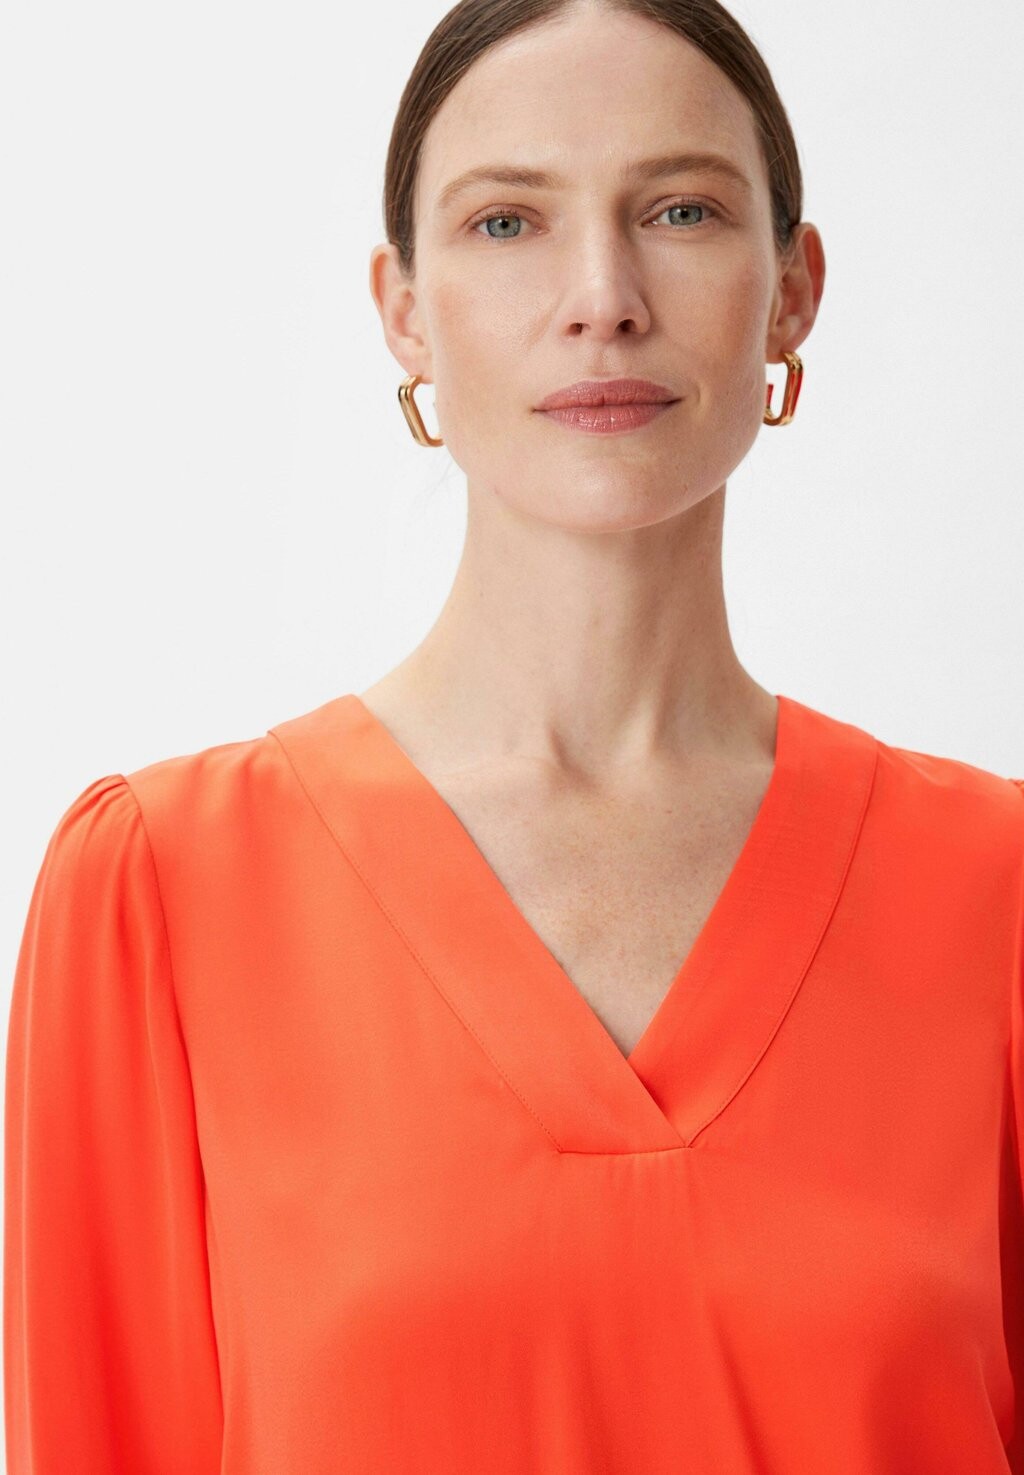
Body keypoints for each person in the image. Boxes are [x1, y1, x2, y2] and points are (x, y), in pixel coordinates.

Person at [5, 0, 1024, 1470]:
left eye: (680, 210)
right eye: (506, 223)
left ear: (793, 290)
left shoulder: (996, 898)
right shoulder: (161, 894)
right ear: (405, 310)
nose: (602, 297)